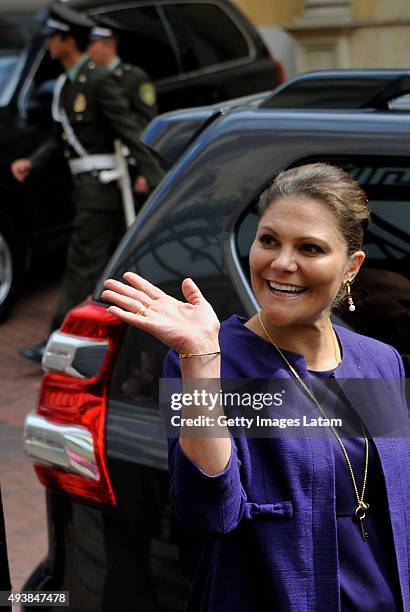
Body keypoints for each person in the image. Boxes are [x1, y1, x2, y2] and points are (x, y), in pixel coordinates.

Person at [101, 163, 409, 611]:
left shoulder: (380, 362)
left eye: (310, 247)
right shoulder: (215, 362)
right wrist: (200, 357)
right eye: (268, 240)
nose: (281, 263)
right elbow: (208, 513)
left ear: (351, 266)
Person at [11, 3, 163, 362]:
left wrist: (156, 178)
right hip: (88, 186)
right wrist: (32, 163)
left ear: (67, 40)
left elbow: (128, 130)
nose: (48, 43)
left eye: (52, 37)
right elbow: (61, 134)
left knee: (83, 263)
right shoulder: (69, 82)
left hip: (102, 187)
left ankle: (56, 338)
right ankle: (128, 336)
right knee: (114, 262)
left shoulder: (97, 79)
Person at [87, 22, 158, 128]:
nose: (88, 50)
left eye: (91, 44)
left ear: (109, 46)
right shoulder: (91, 78)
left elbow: (147, 119)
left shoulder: (134, 76)